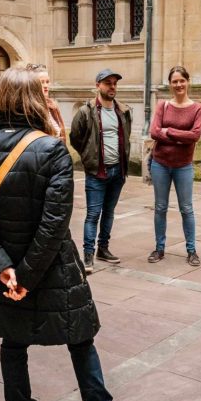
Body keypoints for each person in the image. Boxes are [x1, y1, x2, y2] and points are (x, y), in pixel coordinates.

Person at [0, 67, 134, 401]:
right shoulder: (52, 149)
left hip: (2, 272)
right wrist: (26, 274)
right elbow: (54, 222)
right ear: (35, 102)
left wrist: (3, 268)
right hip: (52, 267)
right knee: (80, 341)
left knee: (12, 342)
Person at [70, 69, 132, 273]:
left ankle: (103, 249)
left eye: (115, 83)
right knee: (93, 214)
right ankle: (88, 255)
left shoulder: (122, 110)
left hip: (118, 171)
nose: (112, 86)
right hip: (97, 172)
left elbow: (126, 137)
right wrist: (89, 157)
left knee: (109, 212)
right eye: (108, 83)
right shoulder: (86, 112)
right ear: (98, 85)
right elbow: (75, 138)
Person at [148, 65, 201, 266]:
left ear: (188, 82)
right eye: (175, 81)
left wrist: (169, 131)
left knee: (187, 208)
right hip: (160, 164)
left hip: (183, 166)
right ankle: (159, 248)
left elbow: (195, 136)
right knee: (160, 207)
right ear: (170, 84)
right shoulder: (163, 105)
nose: (179, 84)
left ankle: (191, 250)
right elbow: (154, 132)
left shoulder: (197, 108)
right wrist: (182, 136)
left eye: (182, 80)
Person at [25, 63, 66, 142]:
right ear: (33, 85)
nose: (46, 85)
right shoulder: (30, 108)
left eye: (47, 82)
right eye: (42, 82)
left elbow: (61, 132)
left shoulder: (52, 105)